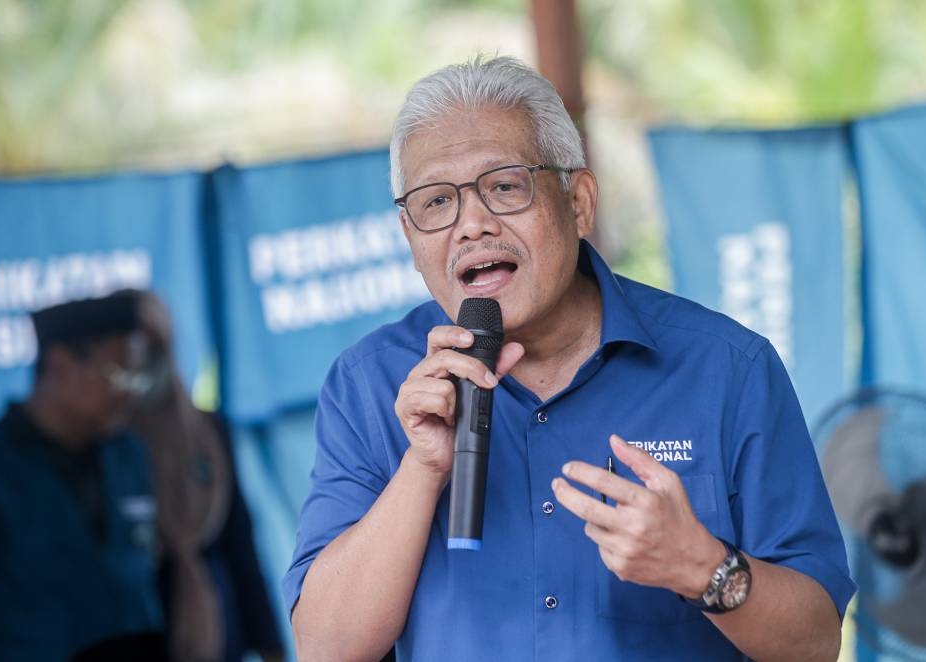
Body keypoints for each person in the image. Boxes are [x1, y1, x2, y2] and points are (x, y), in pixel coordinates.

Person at [284, 55, 855, 661]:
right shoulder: (369, 382)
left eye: (504, 186)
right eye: (436, 202)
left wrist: (702, 567)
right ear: (409, 235)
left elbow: (815, 643)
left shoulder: (728, 369)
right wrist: (422, 469)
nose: (471, 225)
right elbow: (325, 649)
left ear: (579, 201)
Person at [0, 292, 167, 661]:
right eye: (117, 375)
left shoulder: (130, 456)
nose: (130, 393)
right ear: (59, 367)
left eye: (137, 377)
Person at [127, 290, 285, 662]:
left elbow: (239, 544)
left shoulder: (206, 432)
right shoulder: (108, 446)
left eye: (152, 345)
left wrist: (271, 645)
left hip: (219, 627)